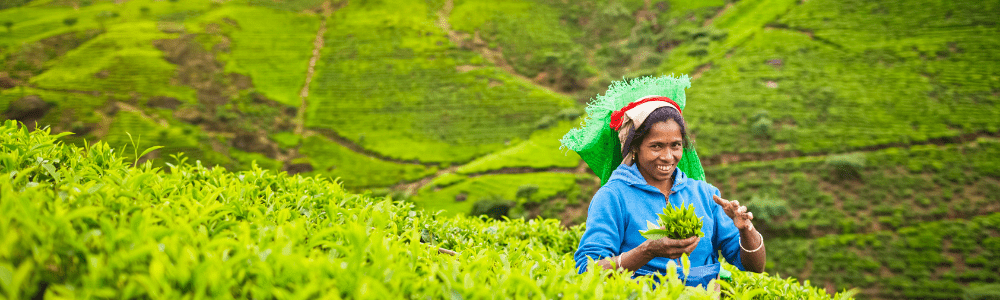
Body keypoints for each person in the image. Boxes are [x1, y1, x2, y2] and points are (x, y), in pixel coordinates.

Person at [560, 75, 765, 283]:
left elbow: (755, 266)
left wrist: (746, 230)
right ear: (634, 148)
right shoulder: (613, 197)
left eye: (675, 145)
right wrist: (647, 251)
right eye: (656, 146)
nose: (668, 156)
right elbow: (587, 270)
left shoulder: (705, 195)